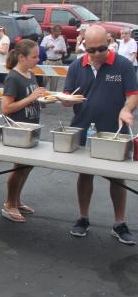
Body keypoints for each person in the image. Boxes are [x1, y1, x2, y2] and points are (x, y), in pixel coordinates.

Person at [63, 25, 138, 245]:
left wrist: (126, 109)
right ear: (84, 45)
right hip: (83, 127)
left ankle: (119, 223)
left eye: (101, 48)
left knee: (117, 177)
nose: (96, 54)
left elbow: (133, 95)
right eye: (92, 49)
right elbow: (67, 94)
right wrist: (66, 100)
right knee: (85, 174)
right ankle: (83, 217)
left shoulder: (122, 65)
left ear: (109, 41)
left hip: (113, 131)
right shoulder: (77, 66)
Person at [0, 39, 44, 223]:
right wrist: (32, 97)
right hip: (18, 129)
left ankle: (16, 200)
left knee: (26, 166)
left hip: (31, 126)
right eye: (34, 57)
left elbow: (29, 98)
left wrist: (40, 98)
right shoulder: (13, 77)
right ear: (21, 57)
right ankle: (9, 203)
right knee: (19, 168)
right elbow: (6, 108)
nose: (38, 59)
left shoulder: (30, 74)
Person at [40, 24, 67, 91]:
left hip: (57, 61)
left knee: (54, 83)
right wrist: (48, 47)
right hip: (48, 61)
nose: (59, 33)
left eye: (60, 31)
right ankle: (41, 96)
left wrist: (60, 51)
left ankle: (52, 97)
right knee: (44, 81)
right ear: (53, 31)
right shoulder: (46, 38)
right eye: (58, 31)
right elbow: (41, 49)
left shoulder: (61, 39)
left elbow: (64, 51)